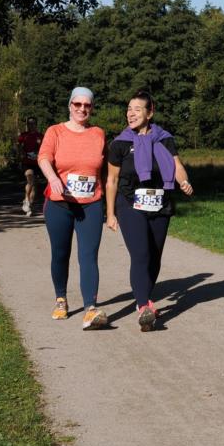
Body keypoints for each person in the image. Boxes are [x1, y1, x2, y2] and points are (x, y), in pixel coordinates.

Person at [105, 90, 193, 331]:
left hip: (160, 203)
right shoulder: (119, 143)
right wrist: (110, 213)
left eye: (137, 109)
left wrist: (183, 181)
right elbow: (111, 180)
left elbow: (176, 166)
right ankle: (144, 306)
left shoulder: (164, 139)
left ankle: (145, 297)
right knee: (141, 254)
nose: (130, 113)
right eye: (128, 109)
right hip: (129, 203)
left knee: (154, 257)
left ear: (149, 112)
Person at [37, 88, 107, 329]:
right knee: (60, 253)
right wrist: (52, 178)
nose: (82, 109)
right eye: (77, 104)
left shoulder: (98, 134)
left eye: (87, 105)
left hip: (91, 204)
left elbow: (105, 170)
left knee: (88, 256)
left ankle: (90, 309)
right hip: (59, 204)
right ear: (69, 105)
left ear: (92, 108)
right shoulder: (55, 131)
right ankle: (61, 300)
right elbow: (43, 157)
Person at [17, 116, 43, 216]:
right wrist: (22, 154)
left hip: (37, 163)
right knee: (30, 180)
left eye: (33, 123)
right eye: (29, 123)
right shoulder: (23, 135)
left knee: (34, 186)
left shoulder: (40, 136)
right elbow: (18, 146)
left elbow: (45, 148)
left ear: (36, 124)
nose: (31, 125)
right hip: (27, 162)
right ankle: (27, 200)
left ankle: (29, 204)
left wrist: (38, 151)